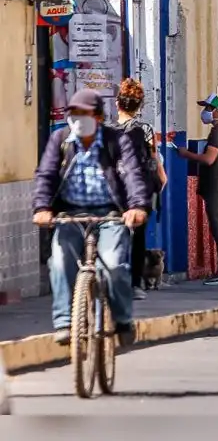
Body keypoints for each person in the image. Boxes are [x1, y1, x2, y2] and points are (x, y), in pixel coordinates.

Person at [32, 88, 150, 345]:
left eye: (84, 113)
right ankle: (64, 321)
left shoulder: (116, 141)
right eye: (73, 113)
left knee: (114, 266)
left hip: (110, 215)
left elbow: (132, 174)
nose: (78, 119)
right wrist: (42, 208)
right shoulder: (60, 140)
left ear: (98, 117)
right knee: (60, 261)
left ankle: (122, 319)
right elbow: (46, 174)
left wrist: (137, 206)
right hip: (70, 214)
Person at [108, 79, 166, 300]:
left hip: (114, 191)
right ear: (140, 105)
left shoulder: (107, 130)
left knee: (112, 235)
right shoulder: (145, 130)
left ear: (117, 104)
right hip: (139, 191)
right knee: (138, 237)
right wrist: (160, 180)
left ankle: (112, 281)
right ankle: (134, 284)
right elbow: (154, 159)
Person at [174, 93, 218, 285]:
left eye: (210, 108)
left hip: (216, 188)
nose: (206, 112)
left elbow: (209, 159)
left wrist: (186, 154)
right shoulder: (217, 131)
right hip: (214, 186)